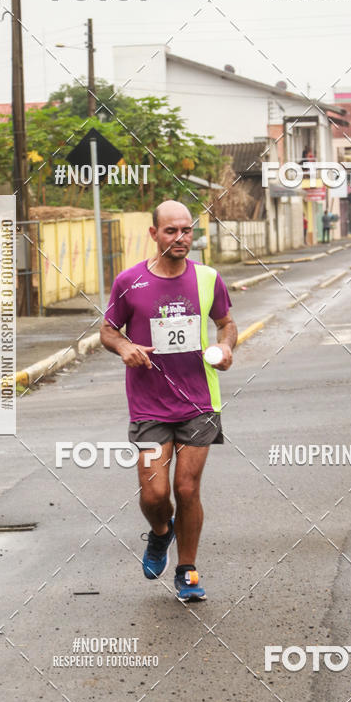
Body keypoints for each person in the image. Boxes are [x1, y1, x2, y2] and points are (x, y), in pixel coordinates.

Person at [100, 200, 237, 602]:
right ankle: (161, 533)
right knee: (155, 495)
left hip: (199, 400)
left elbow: (226, 323)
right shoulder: (129, 282)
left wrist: (226, 348)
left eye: (187, 231)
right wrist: (123, 347)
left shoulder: (209, 279)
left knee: (187, 488)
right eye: (172, 231)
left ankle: (187, 571)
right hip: (149, 405)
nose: (181, 238)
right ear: (154, 233)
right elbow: (107, 330)